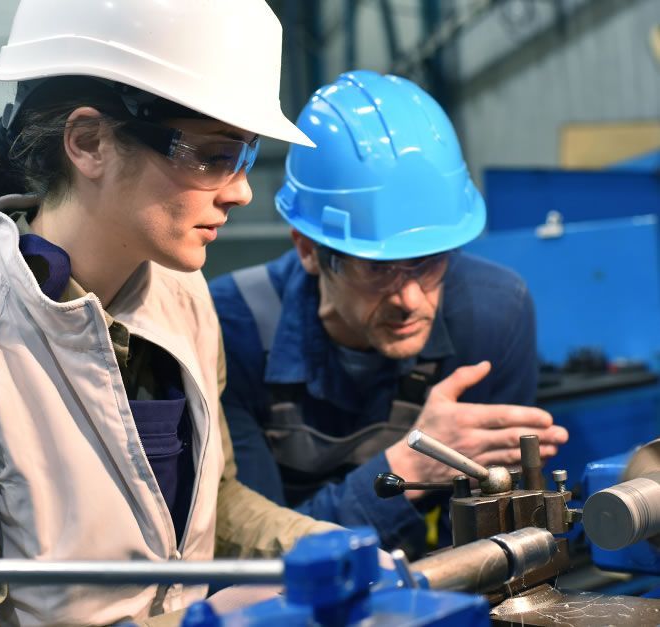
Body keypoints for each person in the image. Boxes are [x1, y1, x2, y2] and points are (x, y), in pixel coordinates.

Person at [0, 1, 338, 624]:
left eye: (246, 155)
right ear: (89, 143)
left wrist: (324, 548)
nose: (242, 190)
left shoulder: (185, 297)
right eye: (212, 156)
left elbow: (213, 505)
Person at [210, 70, 569, 557]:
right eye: (376, 268)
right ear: (309, 251)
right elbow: (255, 551)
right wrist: (410, 469)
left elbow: (488, 548)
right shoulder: (233, 328)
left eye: (428, 262)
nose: (411, 300)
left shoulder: (492, 313)